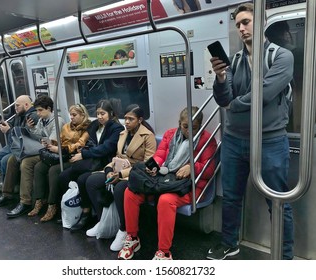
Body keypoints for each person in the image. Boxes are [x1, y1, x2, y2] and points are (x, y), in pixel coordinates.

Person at [206, 3, 294, 260]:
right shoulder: (233, 60)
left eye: (246, 22)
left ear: (261, 22)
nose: (242, 28)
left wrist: (234, 105)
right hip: (234, 139)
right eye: (238, 25)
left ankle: (285, 257)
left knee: (277, 201)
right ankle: (229, 242)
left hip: (270, 139)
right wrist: (221, 78)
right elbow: (223, 98)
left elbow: (264, 94)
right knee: (231, 197)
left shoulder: (281, 57)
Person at [118, 106, 217, 260]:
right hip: (165, 179)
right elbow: (160, 155)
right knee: (130, 192)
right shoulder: (170, 135)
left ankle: (164, 252)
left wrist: (192, 167)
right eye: (185, 127)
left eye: (195, 128)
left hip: (188, 185)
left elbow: (210, 169)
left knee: (165, 200)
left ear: (201, 126)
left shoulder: (207, 140)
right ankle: (132, 238)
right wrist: (155, 166)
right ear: (179, 124)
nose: (189, 132)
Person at [85, 104, 156, 251]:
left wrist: (121, 174)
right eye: (126, 118)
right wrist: (109, 170)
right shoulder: (123, 134)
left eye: (131, 119)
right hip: (118, 169)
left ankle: (124, 229)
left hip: (136, 174)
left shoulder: (148, 136)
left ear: (140, 120)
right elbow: (117, 157)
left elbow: (147, 164)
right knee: (91, 181)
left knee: (119, 189)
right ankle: (102, 221)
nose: (127, 122)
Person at [0, 95, 65, 218]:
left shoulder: (57, 120)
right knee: (12, 159)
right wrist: (31, 129)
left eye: (40, 110)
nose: (38, 113)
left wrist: (39, 138)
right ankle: (7, 194)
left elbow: (52, 142)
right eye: (38, 110)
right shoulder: (42, 120)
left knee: (26, 163)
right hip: (40, 149)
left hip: (50, 153)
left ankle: (25, 202)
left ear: (49, 109)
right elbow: (39, 134)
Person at [59, 99, 124, 230]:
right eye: (98, 113)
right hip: (92, 161)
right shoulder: (94, 125)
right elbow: (89, 142)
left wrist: (84, 154)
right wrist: (82, 150)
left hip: (104, 162)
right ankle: (73, 210)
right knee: (63, 176)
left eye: (103, 113)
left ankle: (87, 212)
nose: (99, 117)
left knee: (83, 179)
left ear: (111, 113)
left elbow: (107, 148)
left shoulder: (116, 128)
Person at [28, 104, 91, 222]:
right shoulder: (66, 127)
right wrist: (51, 143)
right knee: (39, 167)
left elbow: (80, 144)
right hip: (61, 155)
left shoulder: (87, 128)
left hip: (72, 156)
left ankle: (52, 205)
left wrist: (60, 149)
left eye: (74, 115)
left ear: (82, 115)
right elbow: (59, 140)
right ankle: (39, 200)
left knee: (54, 170)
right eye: (70, 115)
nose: (71, 117)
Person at [0, 95, 39, 191]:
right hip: (15, 144)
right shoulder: (19, 114)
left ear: (26, 105)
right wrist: (8, 125)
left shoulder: (32, 117)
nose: (15, 108)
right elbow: (14, 126)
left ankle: (9, 184)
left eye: (17, 105)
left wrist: (9, 130)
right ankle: (13, 181)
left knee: (4, 161)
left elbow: (25, 136)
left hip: (24, 146)